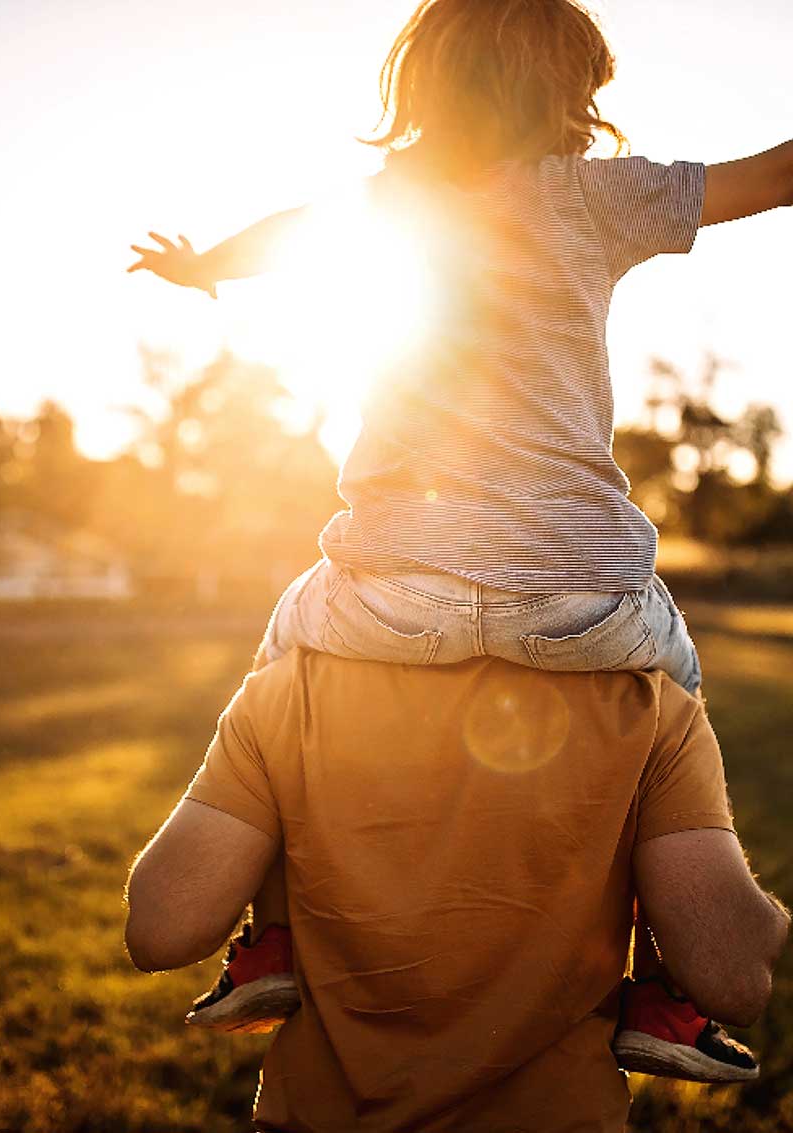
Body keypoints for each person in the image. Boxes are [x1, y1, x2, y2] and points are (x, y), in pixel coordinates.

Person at [127, 0, 793, 1064]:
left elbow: (285, 237)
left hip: (387, 594)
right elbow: (765, 177)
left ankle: (271, 936)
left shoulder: (392, 204)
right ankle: (664, 994)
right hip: (584, 601)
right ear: (568, 93)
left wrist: (202, 265)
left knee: (282, 645)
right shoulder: (596, 195)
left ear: (422, 88)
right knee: (674, 684)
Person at [125, 655, 790, 1132]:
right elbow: (733, 979)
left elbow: (161, 927)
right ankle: (658, 998)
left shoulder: (285, 688)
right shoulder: (652, 704)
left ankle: (271, 942)